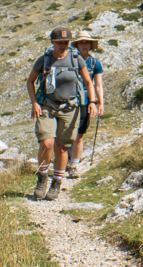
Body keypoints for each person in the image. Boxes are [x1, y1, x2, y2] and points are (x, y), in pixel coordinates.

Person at [26, 27, 98, 200]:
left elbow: (88, 82)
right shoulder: (44, 60)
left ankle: (57, 182)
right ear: (52, 42)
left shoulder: (76, 59)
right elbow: (30, 81)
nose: (62, 45)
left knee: (62, 147)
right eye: (59, 42)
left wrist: (93, 102)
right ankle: (42, 177)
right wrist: (34, 103)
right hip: (47, 106)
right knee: (47, 143)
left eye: (65, 42)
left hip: (70, 108)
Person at [68, 30, 105, 178]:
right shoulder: (69, 60)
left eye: (87, 42)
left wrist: (99, 102)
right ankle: (65, 161)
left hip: (85, 101)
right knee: (65, 134)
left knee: (80, 134)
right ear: (77, 44)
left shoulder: (95, 63)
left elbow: (98, 85)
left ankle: (74, 165)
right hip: (68, 100)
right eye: (82, 42)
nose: (85, 45)